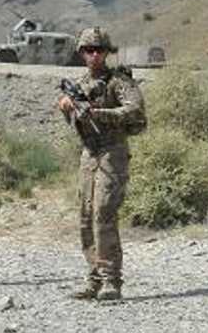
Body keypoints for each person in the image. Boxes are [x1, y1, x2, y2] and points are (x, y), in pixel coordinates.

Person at [57, 27, 146, 301]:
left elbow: (134, 109)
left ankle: (111, 280)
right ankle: (94, 278)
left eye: (99, 50)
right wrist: (67, 108)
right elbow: (74, 120)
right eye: (89, 50)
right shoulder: (80, 84)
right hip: (89, 153)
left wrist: (99, 113)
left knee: (103, 213)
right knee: (86, 216)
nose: (94, 55)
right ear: (81, 53)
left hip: (112, 151)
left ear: (107, 52)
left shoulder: (118, 81)